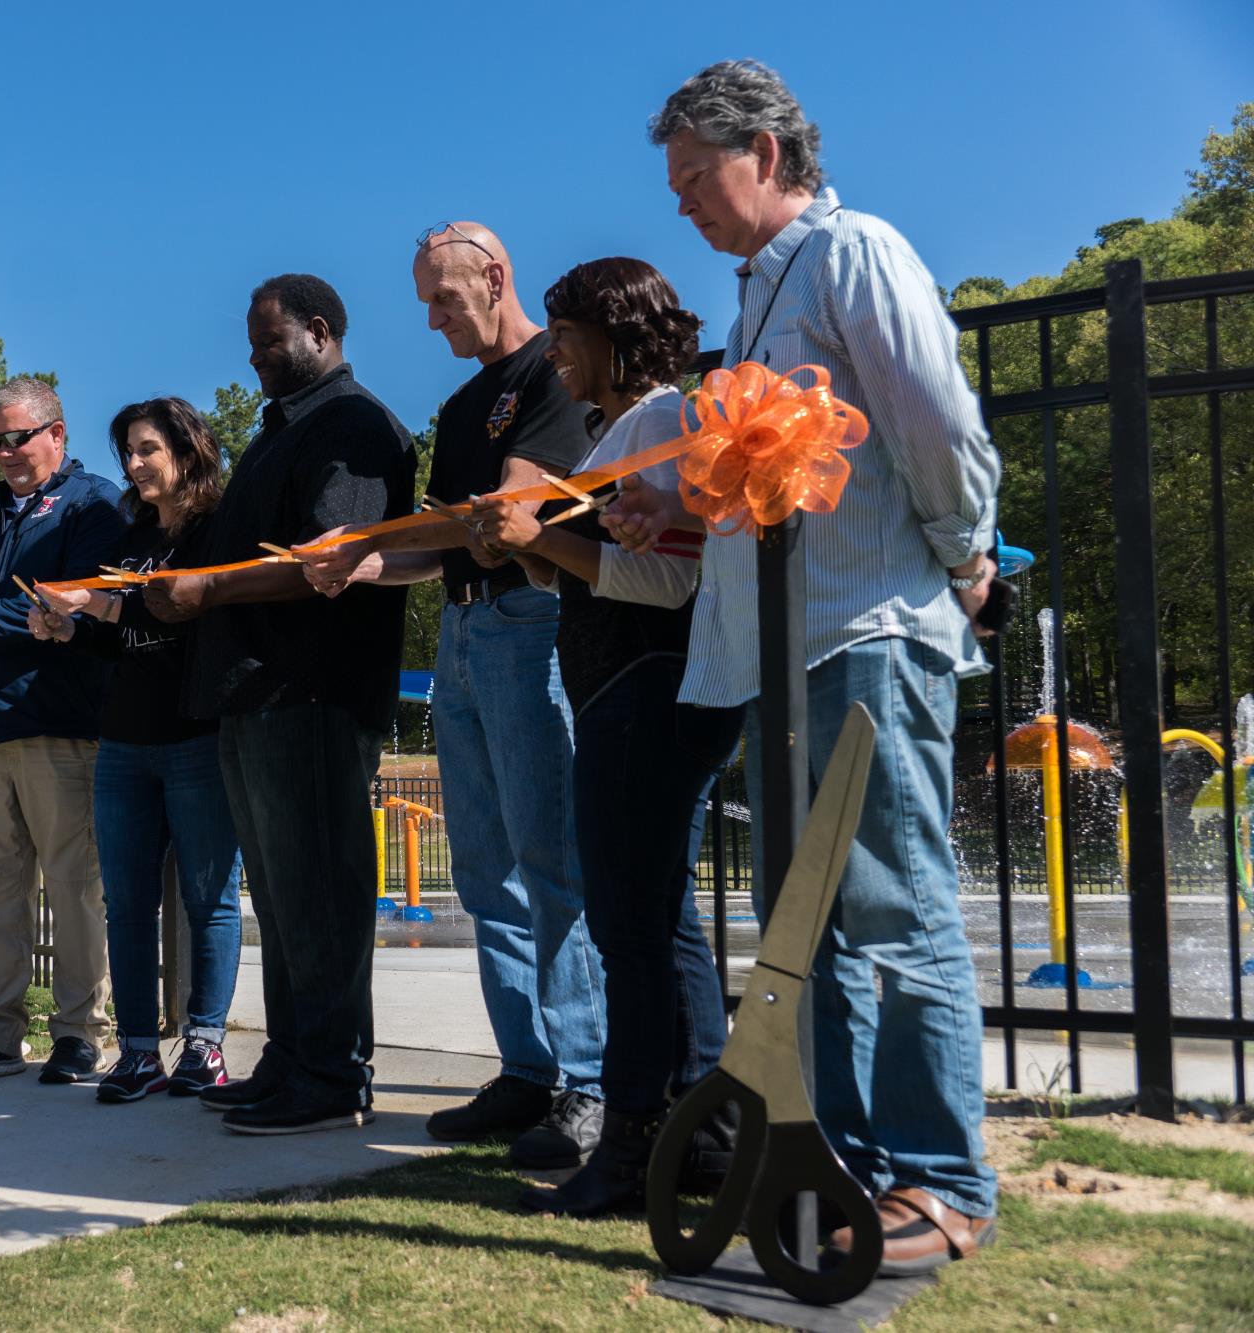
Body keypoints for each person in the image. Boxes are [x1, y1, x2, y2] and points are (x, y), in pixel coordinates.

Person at [600, 60, 1001, 1270]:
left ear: (765, 154)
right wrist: (665, 507)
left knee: (888, 905)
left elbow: (931, 419)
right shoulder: (756, 306)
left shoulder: (851, 254)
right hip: (780, 649)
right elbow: (770, 484)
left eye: (693, 179)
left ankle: (940, 1180)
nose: (681, 205)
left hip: (865, 631)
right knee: (804, 928)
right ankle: (848, 1166)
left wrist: (966, 552)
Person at [296, 223, 606, 1169]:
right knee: (482, 869)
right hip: (467, 633)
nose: (432, 320)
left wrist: (459, 531)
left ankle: (590, 1082)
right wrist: (355, 561)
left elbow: (514, 507)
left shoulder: (551, 373)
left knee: (550, 860)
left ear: (495, 276)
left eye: (444, 298)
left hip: (529, 624)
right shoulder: (464, 404)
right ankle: (525, 1068)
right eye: (425, 302)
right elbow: (441, 546)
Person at [469, 258, 741, 1216]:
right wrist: (525, 545)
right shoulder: (617, 432)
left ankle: (632, 1149)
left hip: (644, 692)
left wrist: (537, 537)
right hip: (622, 694)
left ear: (616, 333)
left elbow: (669, 583)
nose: (556, 355)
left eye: (568, 335)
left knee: (634, 930)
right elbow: (594, 572)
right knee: (662, 922)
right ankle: (702, 1140)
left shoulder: (660, 422)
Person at [145, 274, 415, 1135]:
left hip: (312, 692)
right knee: (282, 892)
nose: (254, 358)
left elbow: (328, 562)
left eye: (269, 342)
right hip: (252, 692)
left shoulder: (353, 427)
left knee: (322, 889)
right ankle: (294, 1058)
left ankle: (334, 1073)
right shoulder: (281, 432)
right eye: (253, 343)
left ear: (321, 332)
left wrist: (206, 588)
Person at [27, 397, 242, 1104]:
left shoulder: (221, 528)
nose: (134, 464)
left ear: (189, 448)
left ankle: (204, 1044)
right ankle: (140, 1051)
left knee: (209, 899)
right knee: (125, 903)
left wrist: (109, 608)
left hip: (197, 736)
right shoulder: (131, 535)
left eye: (148, 448)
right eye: (127, 451)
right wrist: (70, 629)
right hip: (124, 741)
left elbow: (197, 622)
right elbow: (118, 634)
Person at [0, 376, 127, 1089]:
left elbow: (82, 600)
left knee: (75, 885)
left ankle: (79, 1033)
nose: (7, 451)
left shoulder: (95, 503)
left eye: (19, 436)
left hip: (61, 725)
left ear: (57, 434)